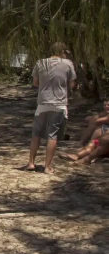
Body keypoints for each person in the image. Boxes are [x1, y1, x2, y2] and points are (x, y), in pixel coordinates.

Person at [25, 42, 77, 174]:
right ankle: (47, 166)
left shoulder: (40, 63)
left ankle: (31, 163)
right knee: (52, 136)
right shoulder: (68, 64)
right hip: (59, 104)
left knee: (36, 134)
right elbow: (72, 84)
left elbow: (35, 83)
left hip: (42, 103)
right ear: (63, 52)